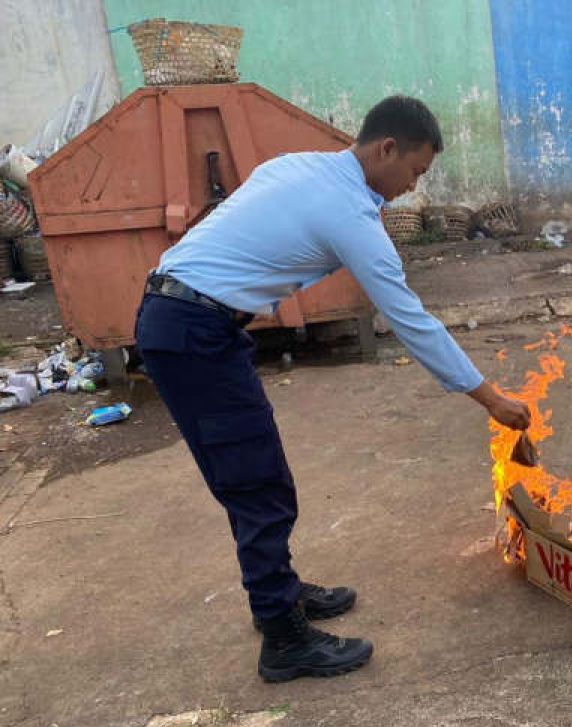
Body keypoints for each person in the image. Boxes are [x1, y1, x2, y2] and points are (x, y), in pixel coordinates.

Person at [135, 96, 531, 682]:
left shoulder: (297, 166)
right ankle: (284, 639)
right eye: (415, 172)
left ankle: (282, 594)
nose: (412, 189)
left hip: (188, 319)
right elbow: (409, 318)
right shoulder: (348, 212)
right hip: (193, 331)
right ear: (387, 148)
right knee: (258, 484)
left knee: (255, 474)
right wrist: (490, 398)